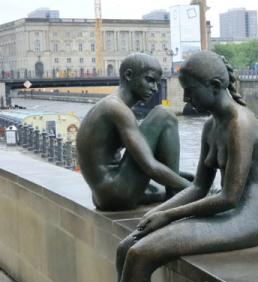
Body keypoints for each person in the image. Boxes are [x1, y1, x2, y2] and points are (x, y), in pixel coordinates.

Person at [98, 51, 258, 282]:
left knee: (141, 254)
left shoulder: (240, 125)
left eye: (191, 91)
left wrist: (168, 217)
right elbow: (199, 188)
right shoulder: (211, 126)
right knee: (126, 247)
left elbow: (230, 197)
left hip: (247, 221)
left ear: (216, 86)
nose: (187, 99)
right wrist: (161, 210)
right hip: (227, 214)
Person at [76, 53, 191, 211]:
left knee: (164, 184)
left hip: (102, 196)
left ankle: (173, 189)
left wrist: (178, 175)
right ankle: (175, 194)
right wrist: (194, 189)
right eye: (149, 80)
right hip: (116, 193)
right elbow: (150, 166)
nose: (155, 88)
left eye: (157, 83)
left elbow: (144, 156)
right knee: (164, 115)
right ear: (129, 75)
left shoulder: (109, 105)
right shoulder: (118, 110)